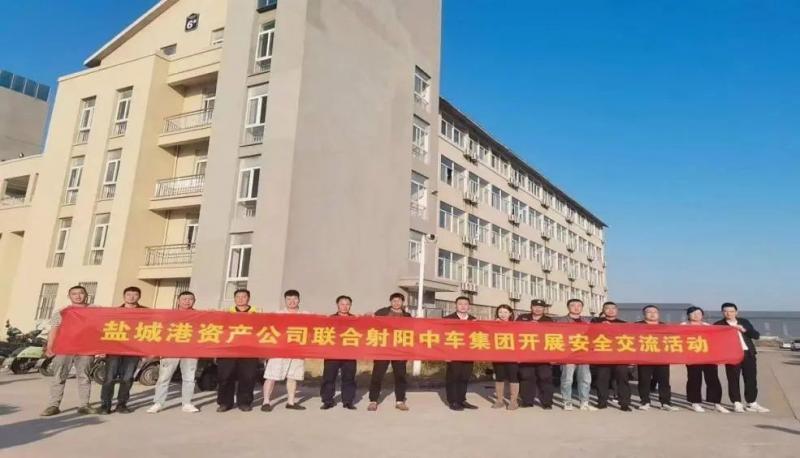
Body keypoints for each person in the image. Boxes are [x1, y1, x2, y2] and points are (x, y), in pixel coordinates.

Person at [40, 285, 99, 416]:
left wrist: (101, 347)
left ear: (86, 295)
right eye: (74, 294)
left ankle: (84, 405)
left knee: (84, 377)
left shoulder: (95, 310)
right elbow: (54, 330)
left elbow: (101, 328)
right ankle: (53, 405)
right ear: (69, 296)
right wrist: (50, 347)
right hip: (64, 348)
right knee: (59, 376)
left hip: (86, 349)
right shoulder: (62, 312)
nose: (78, 296)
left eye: (81, 293)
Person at [147, 291, 200, 414]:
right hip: (170, 350)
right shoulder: (168, 315)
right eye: (184, 299)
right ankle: (158, 403)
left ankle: (187, 403)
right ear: (178, 301)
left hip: (190, 351)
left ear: (194, 301)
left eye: (190, 299)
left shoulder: (198, 315)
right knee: (164, 377)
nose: (187, 301)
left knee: (189, 378)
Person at [714, 303, 769, 413]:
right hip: (732, 355)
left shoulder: (744, 322)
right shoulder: (719, 325)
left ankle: (752, 403)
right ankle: (737, 403)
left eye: (731, 311)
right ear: (722, 312)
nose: (728, 313)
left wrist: (744, 330)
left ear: (736, 312)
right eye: (725, 311)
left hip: (748, 354)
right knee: (733, 379)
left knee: (751, 378)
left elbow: (756, 335)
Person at [100, 286, 147, 414]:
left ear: (139, 297)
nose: (131, 297)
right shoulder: (115, 312)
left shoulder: (145, 312)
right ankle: (105, 405)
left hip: (133, 350)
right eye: (129, 295)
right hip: (114, 349)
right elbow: (104, 329)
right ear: (124, 296)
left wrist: (146, 351)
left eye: (135, 295)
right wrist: (102, 348)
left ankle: (121, 404)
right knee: (109, 378)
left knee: (127, 378)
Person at [262, 289, 307, 412]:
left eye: (294, 299)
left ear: (299, 300)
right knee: (271, 376)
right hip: (279, 350)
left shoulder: (305, 315)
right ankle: (266, 401)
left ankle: (291, 402)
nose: (292, 301)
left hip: (297, 350)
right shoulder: (277, 314)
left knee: (293, 376)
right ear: (285, 301)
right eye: (289, 299)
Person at [367, 292, 412, 412]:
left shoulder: (407, 316)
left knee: (400, 376)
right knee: (377, 375)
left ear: (402, 302)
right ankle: (373, 400)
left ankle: (400, 401)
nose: (396, 303)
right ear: (390, 302)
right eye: (394, 301)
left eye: (399, 301)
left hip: (400, 350)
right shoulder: (382, 312)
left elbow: (412, 331)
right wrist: (368, 317)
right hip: (383, 348)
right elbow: (371, 325)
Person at [216, 289, 259, 412]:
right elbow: (218, 330)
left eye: (243, 296)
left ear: (248, 298)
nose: (240, 299)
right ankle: (225, 403)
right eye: (238, 297)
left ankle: (244, 402)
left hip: (249, 351)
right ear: (234, 299)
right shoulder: (226, 312)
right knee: (225, 376)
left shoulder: (257, 313)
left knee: (248, 377)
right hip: (228, 350)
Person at [682, 306, 728, 413]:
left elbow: (716, 340)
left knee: (713, 379)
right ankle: (695, 402)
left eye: (698, 313)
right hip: (692, 357)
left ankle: (716, 403)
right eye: (693, 313)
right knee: (694, 379)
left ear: (702, 315)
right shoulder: (683, 326)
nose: (696, 315)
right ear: (688, 315)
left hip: (708, 357)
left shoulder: (708, 326)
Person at [635, 305, 679, 411]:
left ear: (658, 314)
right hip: (644, 358)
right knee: (644, 380)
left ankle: (665, 402)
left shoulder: (664, 326)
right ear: (644, 314)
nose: (652, 314)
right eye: (649, 312)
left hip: (662, 358)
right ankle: (645, 401)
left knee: (664, 381)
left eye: (655, 312)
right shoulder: (636, 326)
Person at [591, 301, 632, 411]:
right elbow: (590, 334)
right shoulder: (596, 321)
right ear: (603, 310)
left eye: (613, 308)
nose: (610, 310)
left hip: (619, 357)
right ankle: (602, 402)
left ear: (617, 311)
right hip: (603, 356)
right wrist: (600, 326)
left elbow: (629, 338)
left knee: (622, 379)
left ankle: (624, 403)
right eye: (607, 308)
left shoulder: (624, 324)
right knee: (602, 379)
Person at [556, 298, 595, 411]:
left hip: (583, 354)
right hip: (568, 354)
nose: (576, 307)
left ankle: (584, 402)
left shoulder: (587, 321)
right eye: (573, 305)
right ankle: (567, 401)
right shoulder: (561, 321)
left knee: (585, 379)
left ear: (582, 307)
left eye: (579, 305)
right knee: (567, 379)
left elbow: (593, 336)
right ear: (568, 307)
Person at [321, 295, 358, 410]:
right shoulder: (330, 319)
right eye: (342, 304)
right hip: (332, 353)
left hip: (350, 353)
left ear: (350, 306)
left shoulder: (356, 320)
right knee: (329, 377)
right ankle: (327, 401)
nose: (345, 306)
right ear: (337, 305)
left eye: (347, 304)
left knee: (349, 378)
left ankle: (348, 401)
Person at [516, 299, 554, 409]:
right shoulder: (522, 317)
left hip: (543, 354)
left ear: (544, 309)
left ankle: (547, 402)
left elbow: (553, 335)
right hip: (526, 353)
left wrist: (540, 327)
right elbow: (515, 331)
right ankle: (527, 401)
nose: (537, 309)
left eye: (540, 307)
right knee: (526, 376)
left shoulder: (549, 320)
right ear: (531, 307)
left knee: (545, 377)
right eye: (535, 306)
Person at [444, 296, 478, 411]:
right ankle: (453, 401)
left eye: (465, 304)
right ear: (456, 305)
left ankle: (461, 399)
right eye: (460, 304)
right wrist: (445, 354)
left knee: (465, 377)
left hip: (468, 354)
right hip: (453, 353)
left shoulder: (474, 320)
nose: (463, 306)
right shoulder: (448, 319)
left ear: (469, 306)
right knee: (453, 377)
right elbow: (442, 337)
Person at [491, 304, 519, 410]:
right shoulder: (493, 325)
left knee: (513, 377)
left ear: (510, 314)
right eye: (500, 312)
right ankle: (499, 400)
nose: (502, 314)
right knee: (499, 377)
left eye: (505, 312)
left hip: (512, 355)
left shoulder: (516, 325)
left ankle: (513, 401)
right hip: (498, 355)